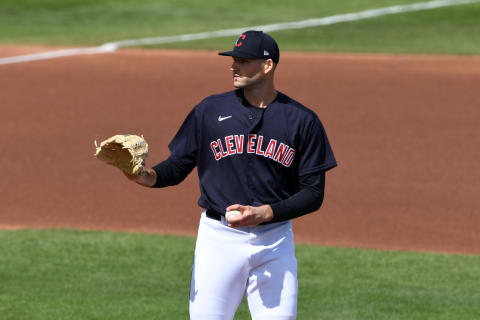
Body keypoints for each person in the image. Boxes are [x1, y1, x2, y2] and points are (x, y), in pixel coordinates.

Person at [125, 30, 337, 320]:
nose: (233, 67)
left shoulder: (301, 120)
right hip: (218, 240)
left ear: (267, 65)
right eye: (233, 59)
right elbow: (176, 167)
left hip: (274, 241)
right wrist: (144, 176)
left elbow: (313, 194)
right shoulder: (210, 110)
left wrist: (264, 213)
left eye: (243, 60)